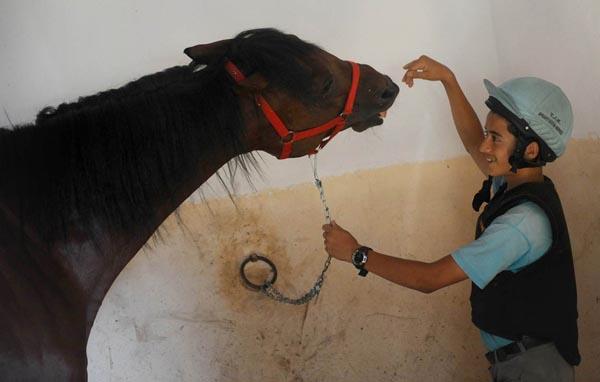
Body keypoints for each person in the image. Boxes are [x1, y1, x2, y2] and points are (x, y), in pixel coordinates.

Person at [322, 55, 580, 382]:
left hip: (533, 369)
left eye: (495, 138)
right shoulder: (517, 183)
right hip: (523, 360)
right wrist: (448, 80)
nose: (485, 146)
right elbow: (476, 145)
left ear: (528, 151)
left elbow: (430, 279)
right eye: (489, 133)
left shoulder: (521, 223)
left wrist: (357, 254)